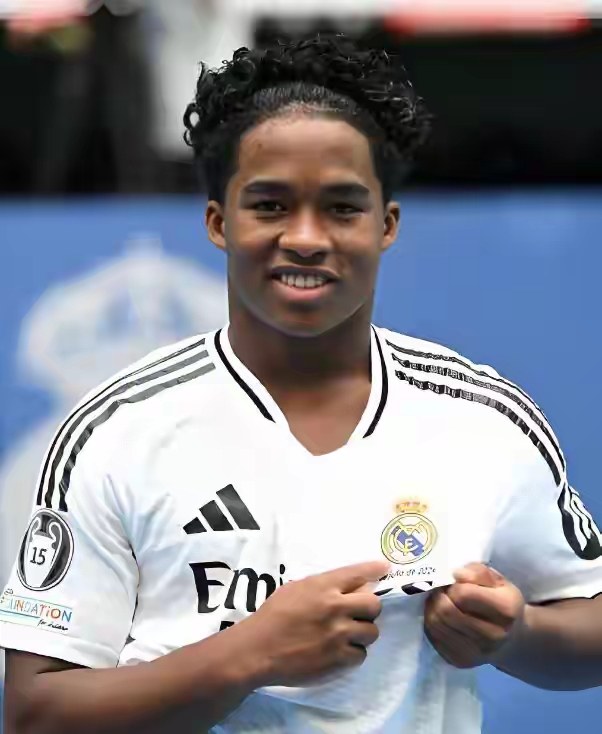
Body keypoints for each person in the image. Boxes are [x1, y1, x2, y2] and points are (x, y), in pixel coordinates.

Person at [2, 33, 602, 734]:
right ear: (219, 222)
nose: (307, 238)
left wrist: (517, 633)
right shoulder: (118, 429)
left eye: (343, 208)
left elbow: (588, 625)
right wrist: (249, 654)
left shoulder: (482, 419)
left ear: (387, 225)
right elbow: (34, 711)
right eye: (271, 205)